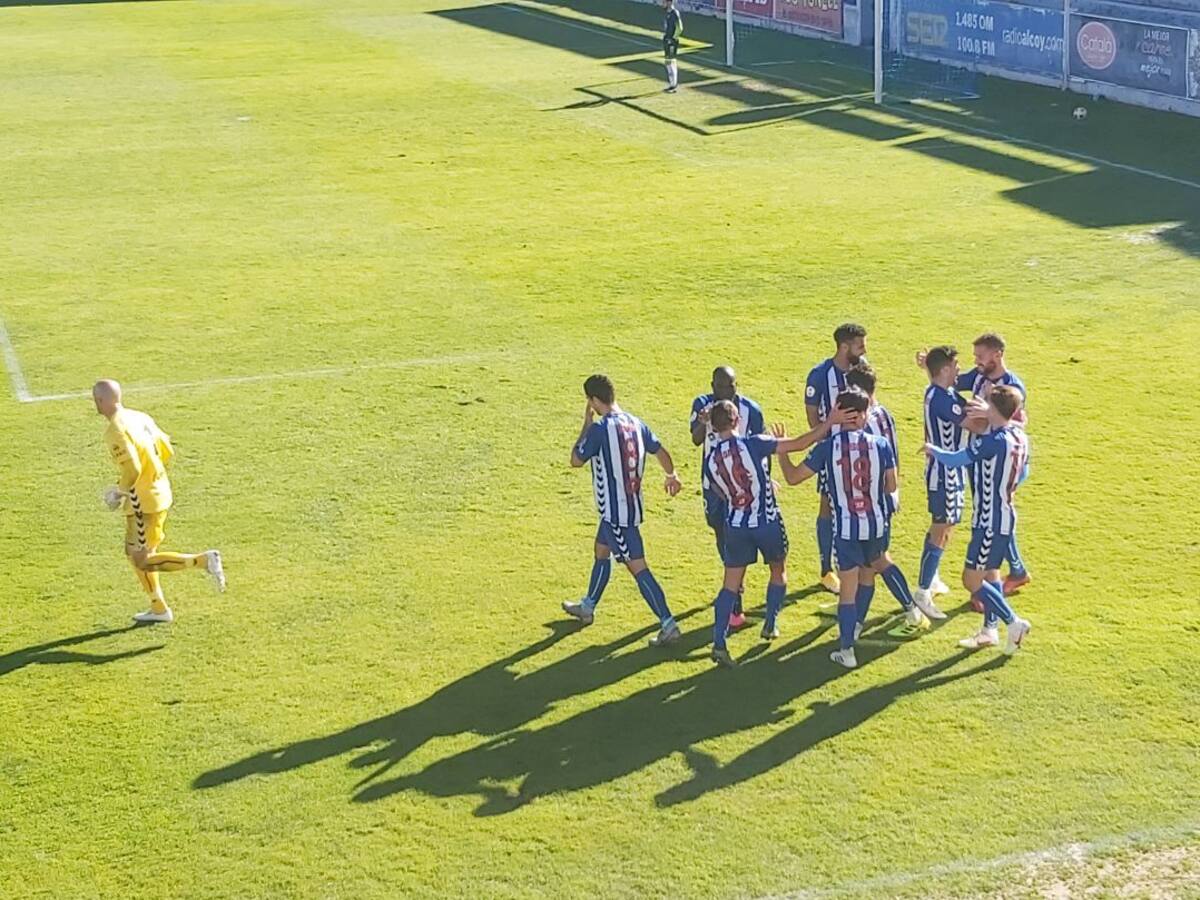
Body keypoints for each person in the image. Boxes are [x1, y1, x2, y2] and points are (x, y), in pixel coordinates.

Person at [778, 387, 919, 670]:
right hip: (876, 525)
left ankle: (847, 649)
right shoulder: (881, 445)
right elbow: (892, 485)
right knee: (869, 576)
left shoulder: (827, 448)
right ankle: (862, 625)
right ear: (864, 415)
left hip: (846, 529)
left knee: (848, 591)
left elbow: (793, 478)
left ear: (838, 413)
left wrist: (782, 453)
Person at [703, 400, 851, 668]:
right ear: (737, 420)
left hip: (736, 524)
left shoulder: (711, 460)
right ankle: (770, 623)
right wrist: (830, 422)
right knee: (778, 569)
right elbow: (799, 444)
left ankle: (719, 643)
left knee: (729, 585)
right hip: (766, 521)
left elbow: (719, 491)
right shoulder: (754, 443)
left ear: (713, 426)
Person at [563, 374, 683, 648]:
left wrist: (586, 424)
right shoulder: (635, 423)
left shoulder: (599, 429)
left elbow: (575, 460)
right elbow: (660, 450)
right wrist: (672, 475)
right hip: (627, 509)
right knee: (601, 550)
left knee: (638, 568)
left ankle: (668, 623)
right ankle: (588, 606)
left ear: (594, 401)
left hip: (617, 517)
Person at [93, 379, 225, 624]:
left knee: (142, 559)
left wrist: (119, 492)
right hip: (159, 491)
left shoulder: (115, 430)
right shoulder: (140, 417)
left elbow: (133, 468)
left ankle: (203, 561)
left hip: (143, 502)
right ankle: (158, 607)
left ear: (100, 401)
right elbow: (166, 450)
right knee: (134, 553)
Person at [924, 385, 1032, 654]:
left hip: (988, 522)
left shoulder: (993, 441)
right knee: (991, 573)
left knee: (971, 581)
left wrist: (932, 449)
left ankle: (1013, 622)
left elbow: (956, 460)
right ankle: (989, 631)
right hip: (1005, 515)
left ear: (993, 408)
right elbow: (1023, 473)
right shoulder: (1020, 436)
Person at [845, 363, 945, 632]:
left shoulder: (865, 424)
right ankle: (856, 623)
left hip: (873, 502)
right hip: (885, 496)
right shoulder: (884, 413)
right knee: (867, 568)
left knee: (878, 560)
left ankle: (913, 610)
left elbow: (871, 463)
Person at [690, 366, 766, 630]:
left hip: (742, 489)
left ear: (737, 385)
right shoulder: (702, 405)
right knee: (721, 533)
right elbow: (695, 440)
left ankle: (735, 598)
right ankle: (734, 586)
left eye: (730, 386)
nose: (726, 391)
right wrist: (703, 422)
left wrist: (766, 481)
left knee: (736, 538)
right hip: (713, 486)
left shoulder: (751, 410)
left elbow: (762, 447)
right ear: (712, 386)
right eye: (721, 386)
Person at [955, 333, 1031, 595]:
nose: (976, 361)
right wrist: (930, 366)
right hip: (981, 457)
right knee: (991, 515)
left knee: (996, 514)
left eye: (981, 356)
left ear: (997, 355)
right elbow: (953, 382)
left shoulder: (1012, 386)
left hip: (1003, 460)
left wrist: (987, 415)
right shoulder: (979, 376)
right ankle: (1010, 574)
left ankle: (1002, 579)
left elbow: (1018, 423)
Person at [805, 323, 867, 594]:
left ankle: (858, 562)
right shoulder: (820, 375)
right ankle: (826, 569)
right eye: (860, 345)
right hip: (833, 452)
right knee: (828, 505)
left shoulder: (862, 369)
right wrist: (826, 441)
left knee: (859, 504)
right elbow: (811, 416)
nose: (864, 351)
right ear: (844, 347)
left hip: (861, 450)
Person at [912, 346, 975, 614]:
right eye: (956, 365)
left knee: (946, 526)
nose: (959, 369)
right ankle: (922, 591)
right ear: (946, 369)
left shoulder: (939, 392)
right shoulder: (942, 399)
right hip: (944, 473)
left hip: (950, 471)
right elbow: (975, 425)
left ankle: (932, 577)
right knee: (941, 529)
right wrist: (997, 415)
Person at [662, 0, 682, 93]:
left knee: (671, 61)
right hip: (667, 40)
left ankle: (674, 85)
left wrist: (673, 38)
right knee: (667, 61)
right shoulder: (667, 13)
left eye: (664, 2)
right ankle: (671, 84)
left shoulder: (675, 13)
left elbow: (680, 28)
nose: (663, 4)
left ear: (669, 2)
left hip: (672, 41)